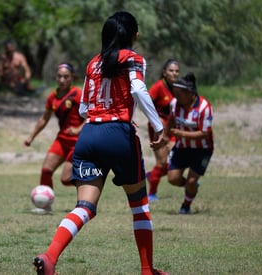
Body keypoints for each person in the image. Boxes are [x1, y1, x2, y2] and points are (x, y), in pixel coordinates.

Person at [33, 11, 169, 275]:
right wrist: (158, 124)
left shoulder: (92, 63)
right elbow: (139, 90)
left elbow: (84, 109)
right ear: (135, 35)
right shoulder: (133, 59)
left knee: (84, 207)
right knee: (140, 206)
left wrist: (104, 115)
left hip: (89, 136)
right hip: (118, 135)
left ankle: (50, 257)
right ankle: (146, 269)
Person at [24, 63, 84, 213]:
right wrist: (31, 137)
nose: (62, 79)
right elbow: (44, 119)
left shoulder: (78, 93)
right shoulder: (53, 96)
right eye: (59, 76)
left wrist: (78, 129)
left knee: (65, 179)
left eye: (66, 76)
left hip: (79, 141)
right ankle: (46, 206)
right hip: (62, 140)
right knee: (46, 170)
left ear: (72, 78)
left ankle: (88, 194)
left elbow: (90, 116)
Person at [164, 72, 214, 214]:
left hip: (202, 149)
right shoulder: (175, 104)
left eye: (179, 94)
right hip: (182, 147)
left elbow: (205, 133)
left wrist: (182, 134)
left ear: (190, 93)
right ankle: (191, 188)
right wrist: (166, 136)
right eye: (175, 93)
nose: (176, 97)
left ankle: (186, 205)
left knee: (192, 181)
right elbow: (172, 119)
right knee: (173, 178)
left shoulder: (204, 107)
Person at [146, 59, 180, 202]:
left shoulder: (179, 87)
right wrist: (156, 120)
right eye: (171, 70)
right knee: (161, 162)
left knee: (177, 160)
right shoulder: (159, 86)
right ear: (164, 72)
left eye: (177, 71)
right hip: (157, 128)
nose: (174, 73)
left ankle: (152, 175)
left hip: (172, 128)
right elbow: (146, 103)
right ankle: (152, 194)